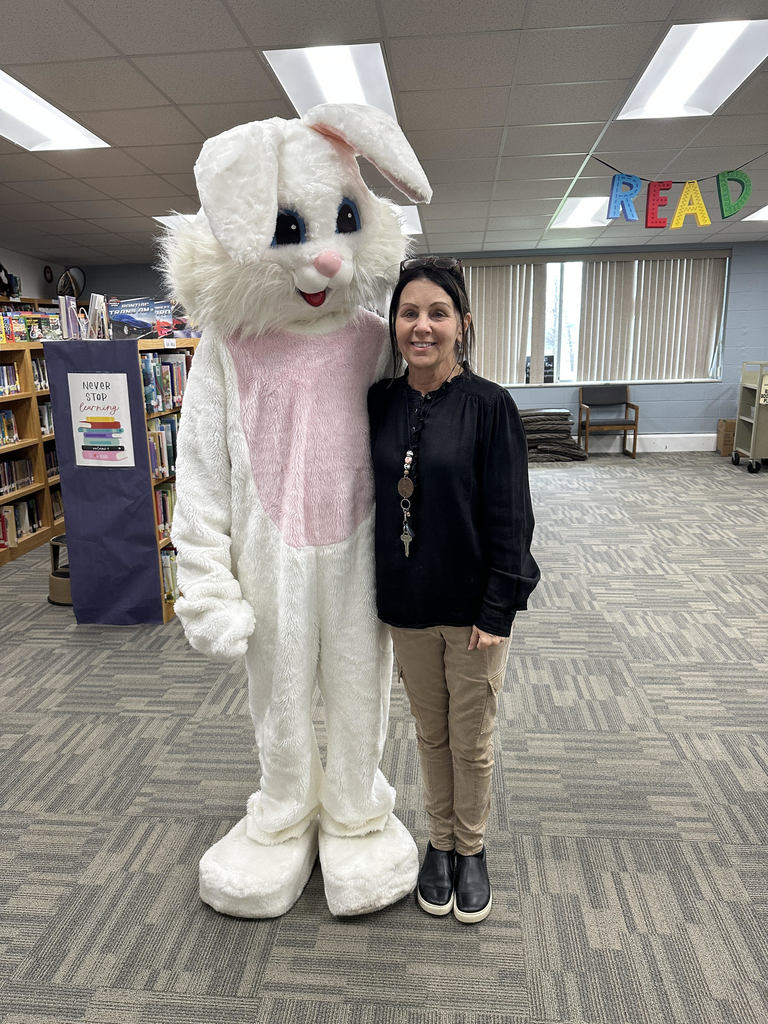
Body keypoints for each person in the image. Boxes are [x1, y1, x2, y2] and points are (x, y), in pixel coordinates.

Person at [367, 256, 540, 924]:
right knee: (428, 736)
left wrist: (498, 609)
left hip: (472, 613)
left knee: (471, 738)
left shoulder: (490, 406)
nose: (422, 326)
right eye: (409, 312)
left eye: (437, 313)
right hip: (407, 607)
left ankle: (471, 849)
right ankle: (439, 844)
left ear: (462, 325)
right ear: (394, 324)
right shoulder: (381, 401)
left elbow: (511, 515)